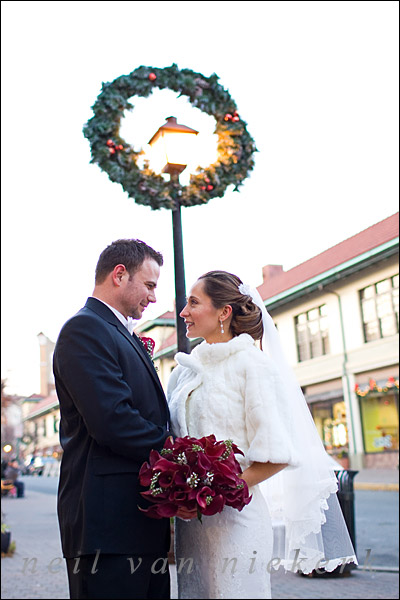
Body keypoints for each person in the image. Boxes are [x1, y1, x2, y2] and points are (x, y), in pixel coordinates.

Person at [167, 270, 357, 600]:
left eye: (193, 303)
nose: (183, 313)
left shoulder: (252, 366)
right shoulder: (183, 370)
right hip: (192, 526)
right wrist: (179, 493)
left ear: (224, 312)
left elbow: (277, 454)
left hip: (237, 521)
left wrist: (219, 492)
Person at [53, 239, 171, 600]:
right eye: (149, 285)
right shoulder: (85, 329)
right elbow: (113, 421)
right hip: (107, 527)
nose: (153, 297)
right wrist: (182, 454)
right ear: (120, 275)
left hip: (138, 522)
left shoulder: (118, 331)